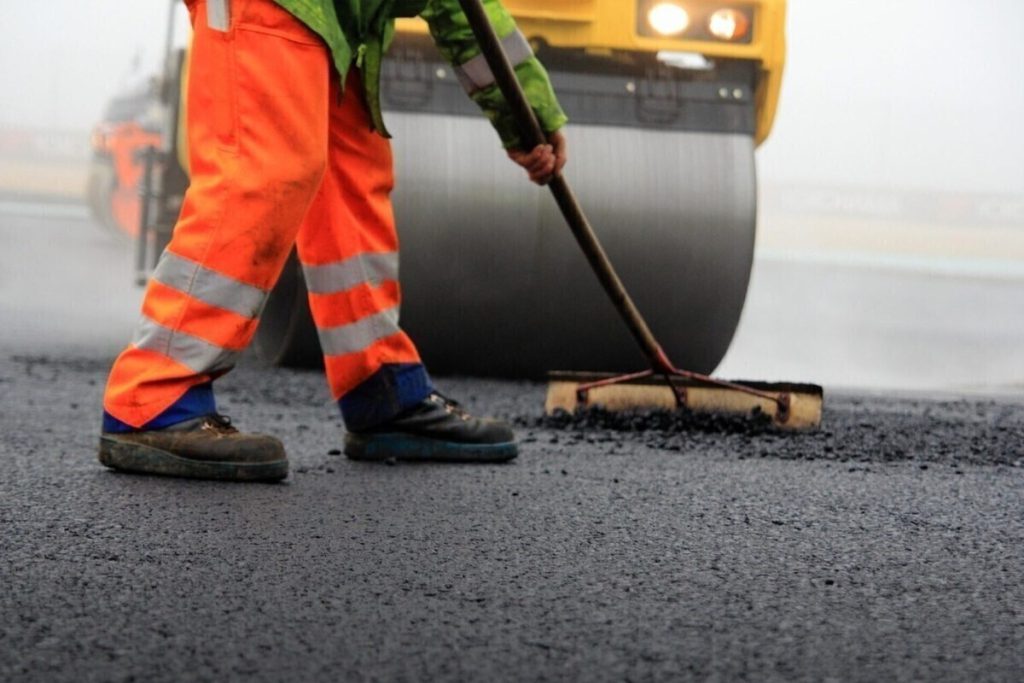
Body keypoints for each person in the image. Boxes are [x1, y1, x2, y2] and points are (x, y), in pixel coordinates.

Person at [97, 0, 568, 482]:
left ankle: (379, 385)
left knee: (352, 181)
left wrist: (523, 110)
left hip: (342, 18)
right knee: (263, 172)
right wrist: (522, 114)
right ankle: (155, 393)